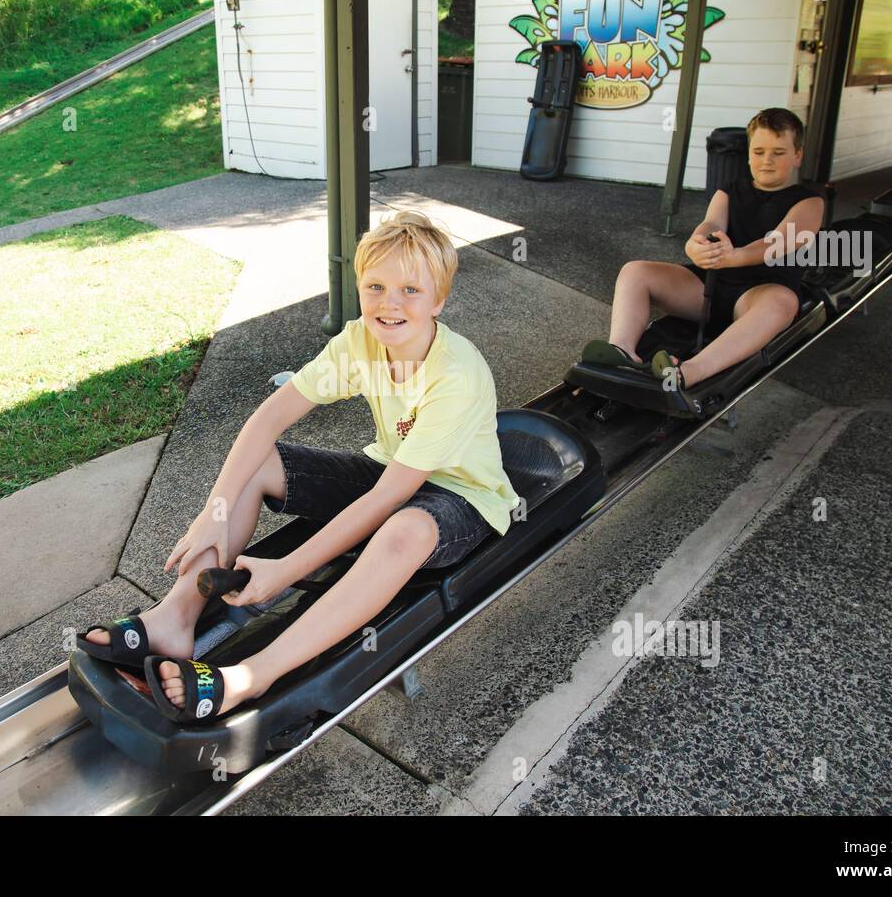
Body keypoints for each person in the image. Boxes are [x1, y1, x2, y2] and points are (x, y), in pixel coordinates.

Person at [76, 211, 520, 722]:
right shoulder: (360, 341)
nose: (389, 303)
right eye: (375, 286)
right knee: (255, 465)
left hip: (462, 498)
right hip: (390, 471)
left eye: (410, 291)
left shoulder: (455, 376)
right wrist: (213, 513)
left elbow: (390, 498)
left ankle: (250, 677)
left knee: (403, 531)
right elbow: (269, 418)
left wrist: (287, 571)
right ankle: (175, 619)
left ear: (438, 301)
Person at [580, 108, 824, 389]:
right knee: (635, 271)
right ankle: (622, 350)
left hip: (759, 296)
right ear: (748, 154)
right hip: (708, 290)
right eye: (759, 151)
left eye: (778, 153)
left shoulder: (809, 201)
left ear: (797, 156)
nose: (766, 161)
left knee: (782, 303)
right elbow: (710, 223)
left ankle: (690, 371)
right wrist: (694, 244)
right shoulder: (729, 191)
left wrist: (736, 257)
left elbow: (779, 241)